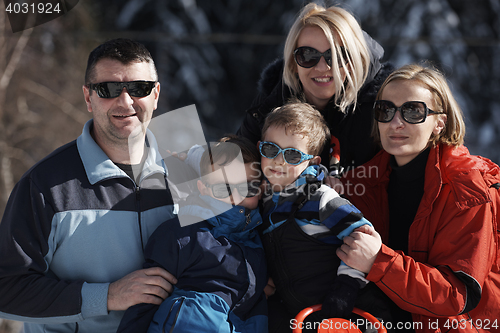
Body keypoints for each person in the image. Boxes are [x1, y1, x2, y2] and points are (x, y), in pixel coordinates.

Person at [0, 38, 181, 333]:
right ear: (88, 97)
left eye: (139, 88)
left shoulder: (188, 171)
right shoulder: (45, 186)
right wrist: (107, 296)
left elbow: (225, 248)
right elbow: (7, 288)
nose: (125, 102)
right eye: (108, 90)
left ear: (156, 94)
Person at [338, 63, 500, 332]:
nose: (396, 122)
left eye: (413, 111)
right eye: (385, 110)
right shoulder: (361, 183)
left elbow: (456, 295)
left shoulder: (468, 188)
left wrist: (378, 260)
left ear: (439, 123)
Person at [259, 102, 390, 333]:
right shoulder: (265, 203)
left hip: (345, 314)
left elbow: (362, 234)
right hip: (300, 315)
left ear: (312, 161)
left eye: (292, 154)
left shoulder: (320, 198)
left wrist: (346, 288)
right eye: (271, 150)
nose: (279, 160)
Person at [116, 135, 268, 333]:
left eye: (249, 187)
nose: (236, 197)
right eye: (224, 187)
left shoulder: (261, 242)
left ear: (262, 188)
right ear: (203, 188)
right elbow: (146, 300)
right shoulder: (181, 236)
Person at [237, 2, 394, 177]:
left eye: (336, 56)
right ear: (293, 64)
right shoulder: (271, 104)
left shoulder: (383, 108)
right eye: (307, 55)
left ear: (353, 62)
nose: (322, 68)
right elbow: (234, 172)